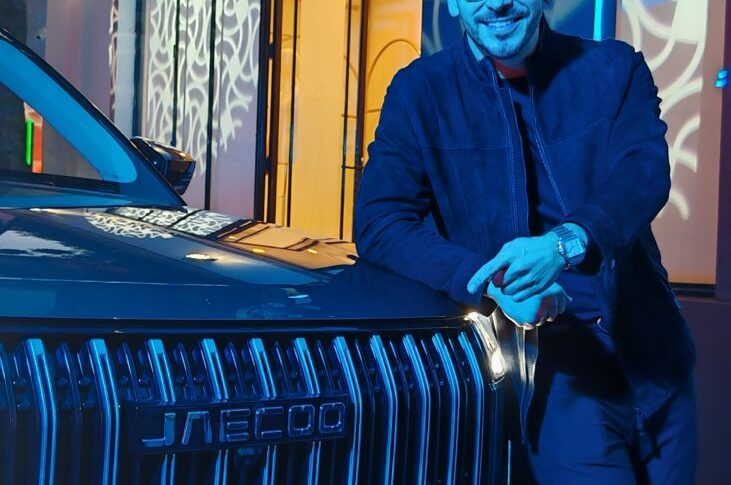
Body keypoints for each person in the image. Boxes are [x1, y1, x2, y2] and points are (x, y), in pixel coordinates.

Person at [353, 0, 696, 483]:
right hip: (553, 375)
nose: (497, 3)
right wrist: (490, 280)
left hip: (659, 359)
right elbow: (380, 222)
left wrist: (564, 244)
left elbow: (643, 176)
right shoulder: (419, 92)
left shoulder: (616, 68)